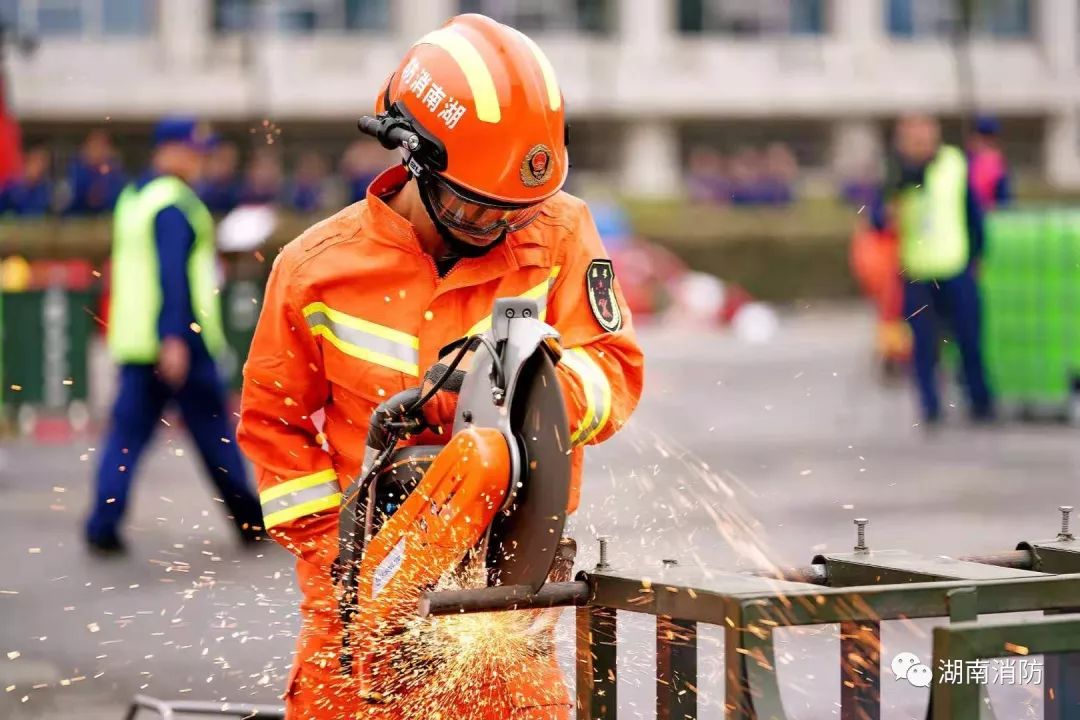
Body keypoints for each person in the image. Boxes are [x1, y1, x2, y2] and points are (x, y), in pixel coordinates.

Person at [237, 14, 644, 719]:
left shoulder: (558, 230)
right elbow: (273, 426)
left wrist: (543, 396)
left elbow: (614, 367)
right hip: (361, 597)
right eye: (476, 208)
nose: (499, 228)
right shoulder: (313, 271)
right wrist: (343, 563)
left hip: (510, 599)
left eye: (516, 211)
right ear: (413, 157)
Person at [85, 117, 264, 554]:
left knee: (126, 437)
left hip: (137, 343)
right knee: (215, 435)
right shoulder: (174, 203)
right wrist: (175, 338)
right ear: (168, 151)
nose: (199, 159)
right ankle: (250, 522)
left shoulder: (135, 196)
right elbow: (173, 277)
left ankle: (102, 525)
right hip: (180, 340)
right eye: (193, 150)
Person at [886, 114, 994, 426]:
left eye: (925, 135)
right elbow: (879, 218)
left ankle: (980, 403)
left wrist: (979, 255)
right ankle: (931, 408)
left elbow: (972, 212)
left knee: (970, 339)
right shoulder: (897, 173)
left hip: (956, 267)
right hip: (918, 273)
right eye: (912, 137)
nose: (920, 143)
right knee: (923, 346)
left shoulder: (954, 162)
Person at [63, 129, 126, 216]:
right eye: (94, 145)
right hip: (77, 221)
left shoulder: (114, 174)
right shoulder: (75, 171)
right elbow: (70, 201)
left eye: (102, 146)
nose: (98, 150)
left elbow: (117, 201)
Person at [967, 115, 1012, 211]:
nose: (986, 142)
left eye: (990, 137)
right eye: (983, 137)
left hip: (990, 217)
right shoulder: (963, 162)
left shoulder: (999, 164)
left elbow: (1004, 199)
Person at [2, 146, 53, 216]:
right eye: (36, 160)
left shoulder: (45, 188)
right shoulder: (11, 184)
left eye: (43, 162)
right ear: (27, 161)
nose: (39, 166)